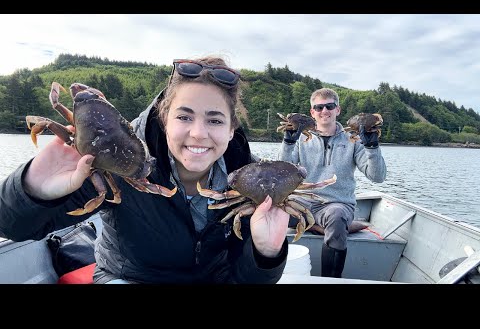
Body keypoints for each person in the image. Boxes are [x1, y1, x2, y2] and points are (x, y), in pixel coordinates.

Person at [0, 56, 290, 284]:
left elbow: (245, 279)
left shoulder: (249, 182)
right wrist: (32, 192)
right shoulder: (119, 162)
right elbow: (13, 226)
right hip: (126, 278)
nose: (198, 133)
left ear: (231, 130)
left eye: (214, 121)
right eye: (184, 116)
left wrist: (266, 254)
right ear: (165, 120)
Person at [278, 87, 386, 278]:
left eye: (329, 106)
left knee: (336, 218)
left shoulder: (353, 139)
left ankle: (330, 279)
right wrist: (287, 144)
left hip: (336, 203)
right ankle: (324, 226)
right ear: (312, 112)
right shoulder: (301, 137)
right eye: (318, 108)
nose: (324, 111)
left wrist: (372, 146)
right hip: (303, 201)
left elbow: (377, 177)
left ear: (338, 109)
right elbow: (282, 172)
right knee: (270, 209)